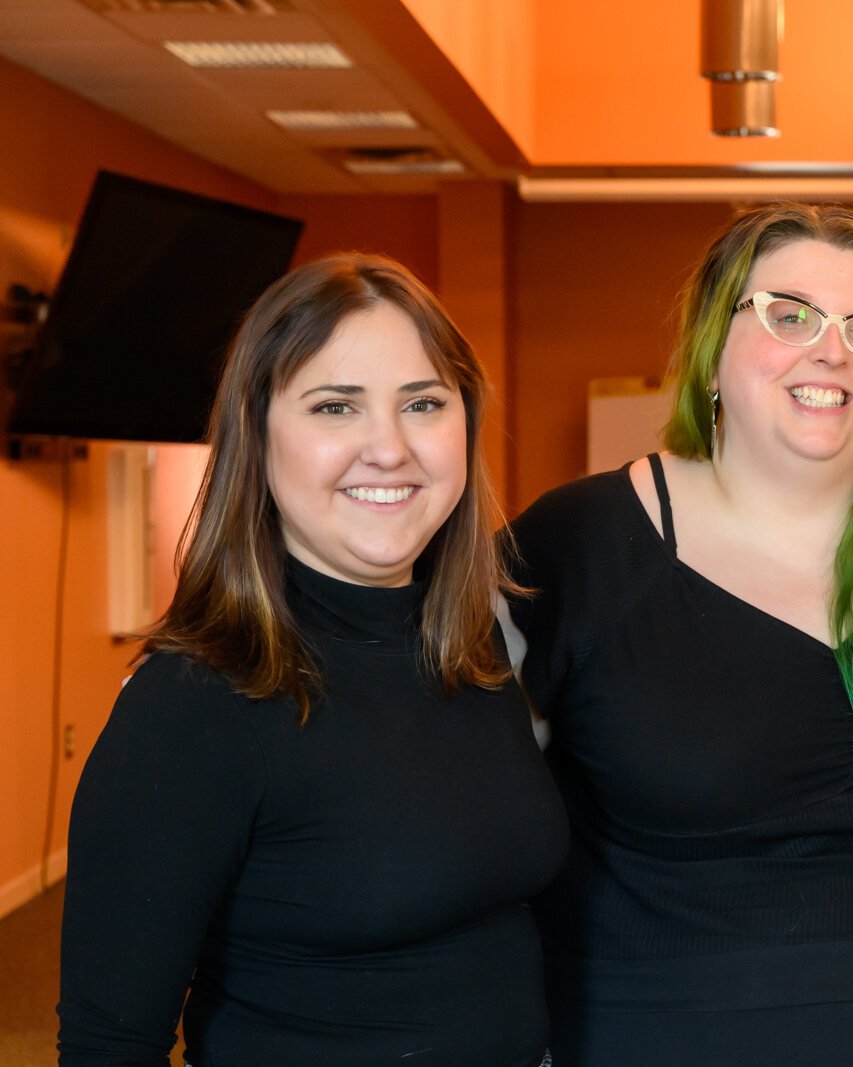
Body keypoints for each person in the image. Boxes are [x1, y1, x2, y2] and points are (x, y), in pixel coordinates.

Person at [505, 202, 853, 1064]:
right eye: (790, 314)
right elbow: (476, 833)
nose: (832, 351)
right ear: (712, 348)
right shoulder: (581, 547)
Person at [57, 253, 568, 1066]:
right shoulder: (192, 703)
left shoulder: (476, 650)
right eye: (336, 407)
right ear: (257, 437)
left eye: (424, 404)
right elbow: (109, 1041)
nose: (390, 448)